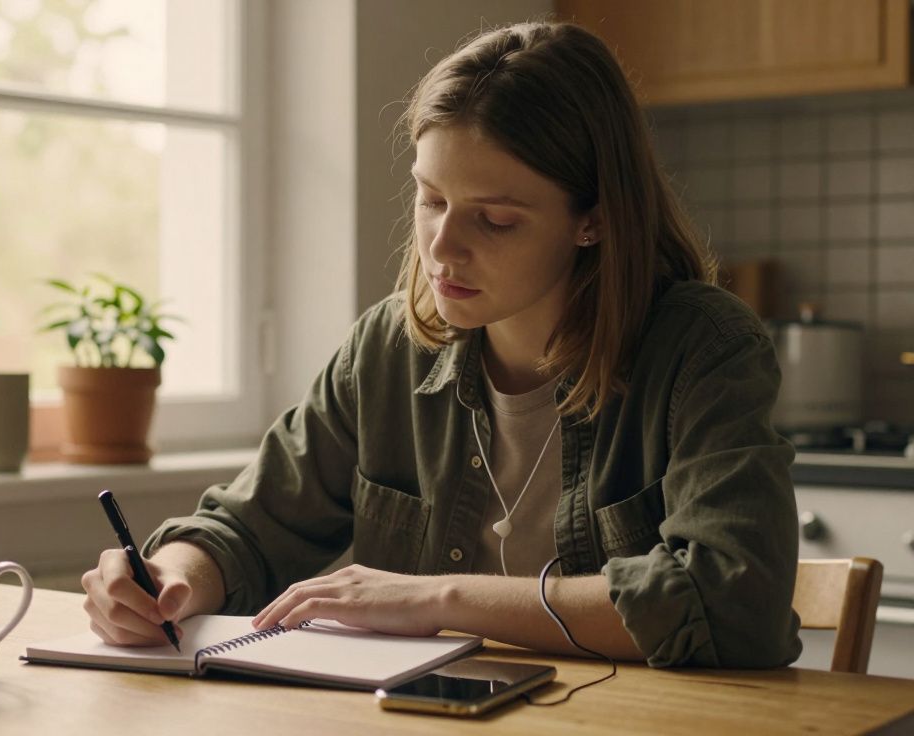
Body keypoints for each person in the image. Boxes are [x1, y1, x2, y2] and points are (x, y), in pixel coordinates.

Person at [80, 20, 802, 669]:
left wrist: (439, 599)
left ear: (595, 220)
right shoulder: (388, 349)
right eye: (431, 199)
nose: (442, 247)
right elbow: (246, 527)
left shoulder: (704, 348)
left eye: (495, 219)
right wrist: (170, 579)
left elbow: (731, 602)